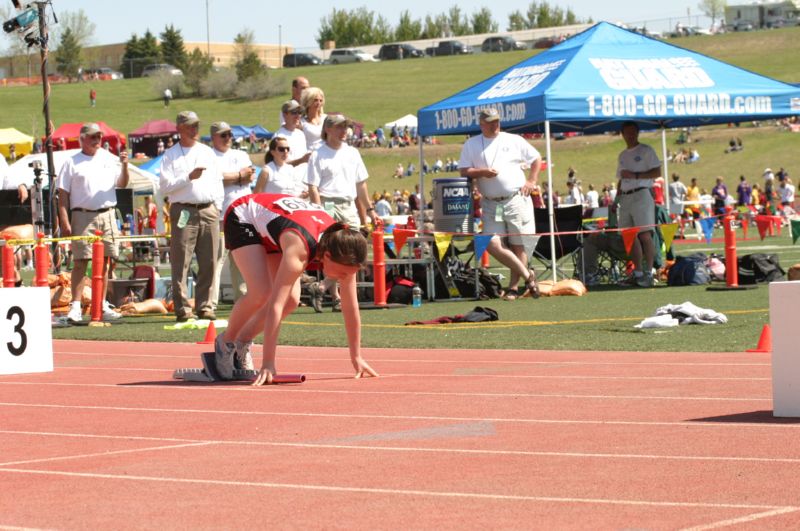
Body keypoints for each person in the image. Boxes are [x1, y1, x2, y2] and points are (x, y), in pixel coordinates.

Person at [214, 193, 379, 384]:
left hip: (279, 227)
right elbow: (275, 305)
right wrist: (268, 363)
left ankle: (242, 342)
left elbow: (350, 307)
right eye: (342, 273)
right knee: (261, 293)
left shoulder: (344, 248)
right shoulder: (299, 250)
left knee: (292, 301)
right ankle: (226, 342)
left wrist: (356, 356)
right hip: (244, 215)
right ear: (326, 255)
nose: (343, 278)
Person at [458, 107, 541, 301]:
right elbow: (464, 171)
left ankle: (513, 287)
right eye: (491, 122)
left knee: (518, 245)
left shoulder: (513, 139)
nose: (496, 125)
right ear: (482, 124)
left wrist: (532, 181)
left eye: (497, 121)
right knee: (491, 242)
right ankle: (529, 276)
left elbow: (536, 158)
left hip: (515, 198)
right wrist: (482, 172)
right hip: (490, 203)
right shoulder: (471, 144)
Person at [56, 123, 129, 323]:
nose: (97, 140)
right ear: (82, 139)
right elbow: (62, 195)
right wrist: (64, 221)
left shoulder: (108, 159)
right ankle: (76, 306)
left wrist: (124, 165)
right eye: (92, 137)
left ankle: (101, 303)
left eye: (99, 136)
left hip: (107, 214)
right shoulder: (71, 162)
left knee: (105, 262)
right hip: (82, 215)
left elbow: (122, 184)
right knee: (80, 261)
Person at [159, 111, 222, 322]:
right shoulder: (170, 155)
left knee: (210, 261)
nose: (195, 130)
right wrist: (188, 177)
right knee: (181, 262)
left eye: (196, 125)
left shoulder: (207, 152)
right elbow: (165, 187)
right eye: (190, 126)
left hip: (208, 209)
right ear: (179, 128)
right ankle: (183, 309)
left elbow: (217, 180)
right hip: (183, 210)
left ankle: (204, 306)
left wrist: (217, 207)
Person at [306, 114, 372, 312]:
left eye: (346, 127)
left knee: (353, 249)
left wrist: (369, 210)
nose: (344, 131)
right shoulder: (318, 154)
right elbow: (313, 186)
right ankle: (336, 297)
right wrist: (319, 211)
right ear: (328, 129)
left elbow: (361, 184)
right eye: (340, 127)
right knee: (333, 251)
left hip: (348, 203)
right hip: (327, 204)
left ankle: (322, 287)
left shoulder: (352, 153)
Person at [210, 121, 255, 309]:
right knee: (217, 259)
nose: (228, 138)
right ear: (213, 137)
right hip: (221, 214)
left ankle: (243, 300)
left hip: (243, 213)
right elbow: (214, 178)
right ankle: (210, 303)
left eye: (229, 134)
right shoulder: (209, 156)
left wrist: (229, 177)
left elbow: (251, 175)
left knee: (242, 260)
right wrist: (239, 175)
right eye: (223, 135)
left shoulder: (241, 154)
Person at [616, 121, 660, 288]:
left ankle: (649, 272)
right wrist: (616, 199)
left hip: (641, 193)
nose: (630, 135)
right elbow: (620, 178)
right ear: (622, 134)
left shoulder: (646, 150)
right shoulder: (622, 155)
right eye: (627, 132)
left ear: (638, 133)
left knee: (645, 235)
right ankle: (638, 272)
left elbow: (657, 171)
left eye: (633, 132)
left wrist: (636, 175)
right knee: (629, 235)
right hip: (626, 197)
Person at [274, 99, 311, 169]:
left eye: (299, 112)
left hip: (303, 177)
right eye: (294, 112)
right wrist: (301, 160)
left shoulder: (300, 134)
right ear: (284, 115)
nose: (298, 116)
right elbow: (279, 165)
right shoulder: (279, 137)